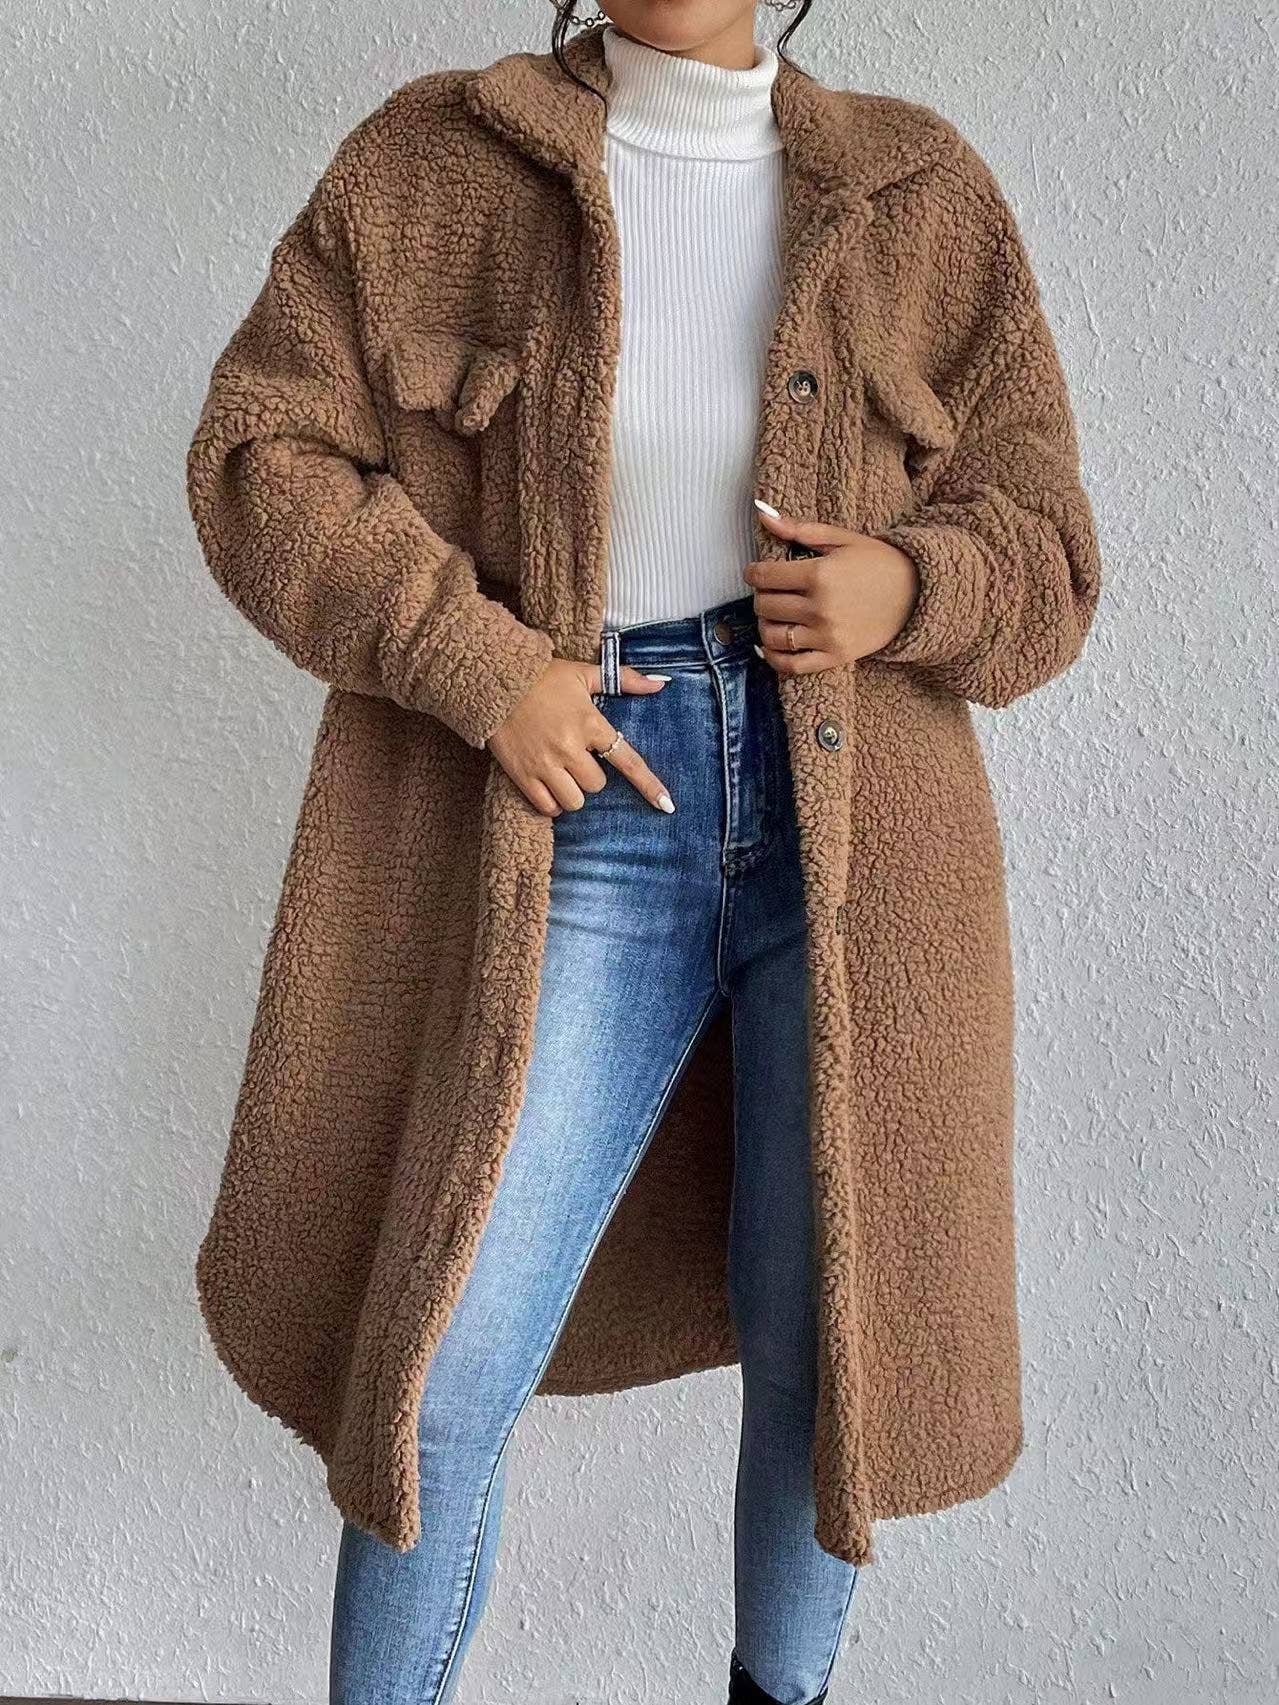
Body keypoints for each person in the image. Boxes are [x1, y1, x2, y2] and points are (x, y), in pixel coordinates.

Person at [185, 4, 1102, 1702]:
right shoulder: (436, 165)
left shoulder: (924, 197)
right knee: (439, 1364)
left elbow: (1050, 553)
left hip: (855, 839)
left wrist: (909, 585)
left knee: (825, 1361)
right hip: (574, 797)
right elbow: (259, 457)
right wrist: (486, 668)